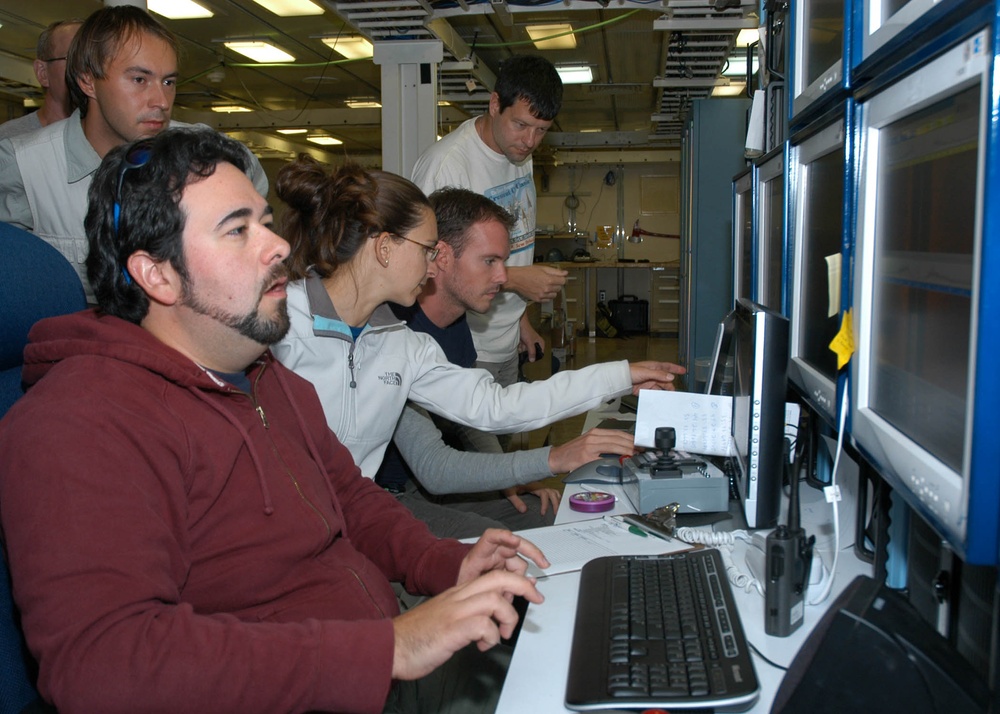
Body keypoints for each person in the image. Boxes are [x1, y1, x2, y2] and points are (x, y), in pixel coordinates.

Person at [0, 127, 548, 714]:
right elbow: (104, 664)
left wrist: (447, 562)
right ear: (157, 274)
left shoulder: (264, 376)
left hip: (366, 659)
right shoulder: (82, 420)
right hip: (308, 686)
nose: (279, 245)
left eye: (265, 221)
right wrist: (384, 649)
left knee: (564, 646)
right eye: (238, 230)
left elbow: (351, 501)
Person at [271, 155, 685, 491]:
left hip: (346, 531)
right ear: (384, 248)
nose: (435, 264)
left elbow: (497, 407)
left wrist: (619, 375)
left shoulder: (400, 345)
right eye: (428, 249)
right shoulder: (275, 327)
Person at [375, 187, 640, 537]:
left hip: (426, 488)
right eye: (489, 261)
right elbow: (435, 467)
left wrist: (512, 476)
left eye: (504, 261)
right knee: (497, 544)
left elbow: (476, 414)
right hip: (392, 496)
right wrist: (543, 462)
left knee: (548, 514)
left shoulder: (454, 323)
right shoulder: (396, 332)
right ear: (441, 256)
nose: (503, 277)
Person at [0, 5, 267, 304]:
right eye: (140, 80)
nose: (161, 101)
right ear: (88, 80)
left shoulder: (214, 158)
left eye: (169, 82)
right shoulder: (22, 168)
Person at [411, 55, 569, 387]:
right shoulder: (446, 167)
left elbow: (513, 245)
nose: (529, 141)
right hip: (463, 348)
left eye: (541, 131)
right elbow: (426, 266)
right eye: (521, 125)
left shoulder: (519, 156)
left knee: (503, 435)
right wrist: (515, 279)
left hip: (506, 343)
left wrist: (520, 321)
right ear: (495, 104)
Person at [0, 19, 82, 141]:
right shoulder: (8, 142)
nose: (87, 68)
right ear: (43, 72)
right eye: (74, 58)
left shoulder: (113, 138)